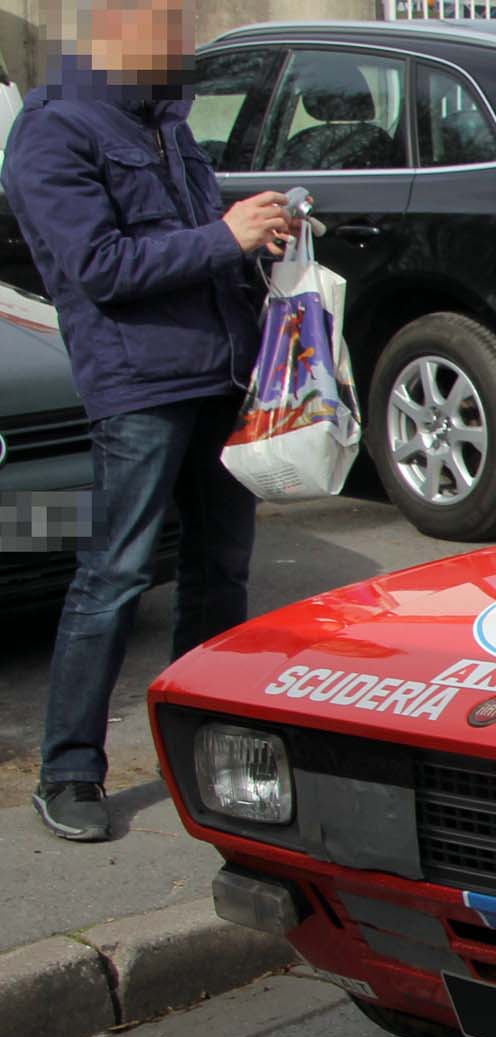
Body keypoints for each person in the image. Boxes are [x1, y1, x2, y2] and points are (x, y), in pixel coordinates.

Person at [2, 0, 294, 841]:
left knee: (222, 570)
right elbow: (96, 267)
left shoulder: (164, 118)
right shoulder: (55, 128)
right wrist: (223, 239)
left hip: (220, 375)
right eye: (169, 25)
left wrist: (263, 236)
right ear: (110, 28)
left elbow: (198, 237)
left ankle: (207, 745)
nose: (185, 43)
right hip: (139, 387)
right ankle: (68, 771)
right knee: (116, 577)